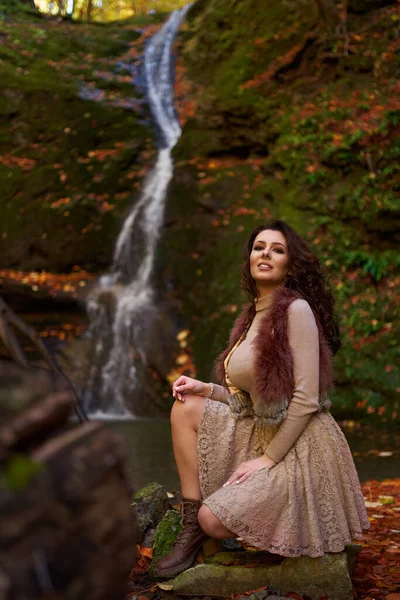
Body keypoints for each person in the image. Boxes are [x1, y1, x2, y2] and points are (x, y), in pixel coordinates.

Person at [156, 220, 369, 578]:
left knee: (216, 520)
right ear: (250, 259)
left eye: (277, 249)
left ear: (289, 264)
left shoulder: (295, 310)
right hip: (262, 427)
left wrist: (267, 460)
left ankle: (209, 523)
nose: (266, 253)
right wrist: (206, 389)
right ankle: (191, 528)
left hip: (302, 445)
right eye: (259, 247)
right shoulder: (251, 315)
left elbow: (305, 400)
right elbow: (255, 401)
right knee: (185, 407)